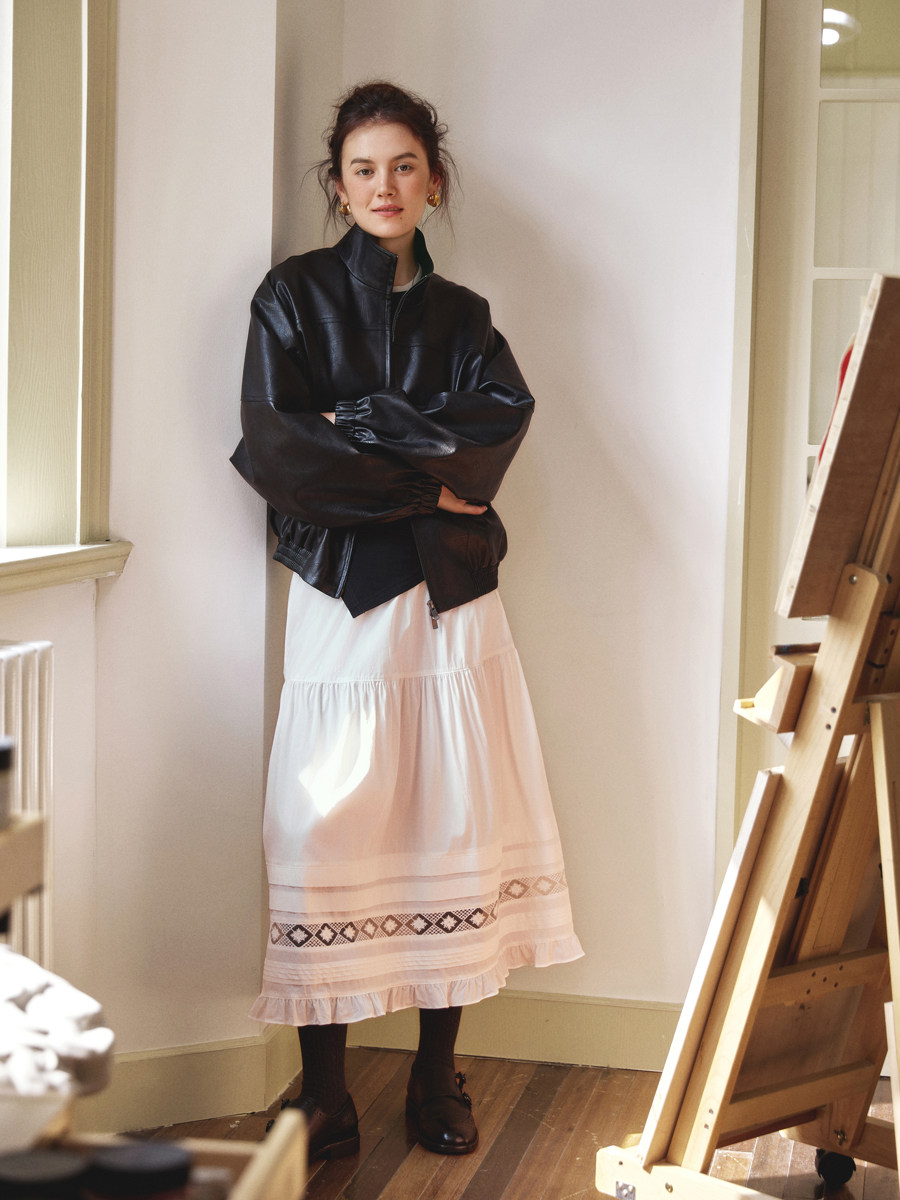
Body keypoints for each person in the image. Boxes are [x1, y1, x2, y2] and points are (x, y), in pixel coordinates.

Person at [231, 81, 582, 1164]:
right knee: (321, 828)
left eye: (404, 166)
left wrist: (365, 428)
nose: (384, 186)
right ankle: (324, 1094)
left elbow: (495, 435)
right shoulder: (290, 298)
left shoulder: (465, 318)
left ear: (434, 181)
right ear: (338, 186)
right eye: (363, 169)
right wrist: (424, 478)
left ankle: (437, 1074)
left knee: (455, 823)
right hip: (340, 602)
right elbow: (280, 454)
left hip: (453, 605)